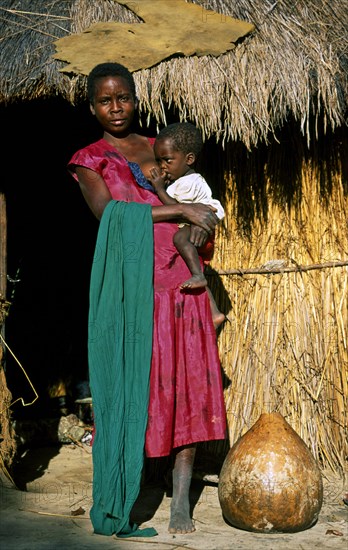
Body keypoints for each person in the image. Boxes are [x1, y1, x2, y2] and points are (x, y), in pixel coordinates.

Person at [67, 62, 227, 538]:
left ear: (136, 97)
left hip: (182, 282)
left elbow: (200, 198)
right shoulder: (89, 159)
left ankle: (181, 501)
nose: (115, 108)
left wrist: (200, 220)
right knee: (135, 386)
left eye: (123, 97)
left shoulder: (163, 147)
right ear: (92, 105)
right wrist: (179, 209)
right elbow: (108, 214)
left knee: (186, 386)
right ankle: (131, 487)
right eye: (104, 100)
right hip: (134, 287)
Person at [147, 122, 226, 329]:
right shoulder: (182, 181)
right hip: (194, 228)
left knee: (179, 239)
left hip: (196, 230)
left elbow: (176, 207)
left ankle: (199, 277)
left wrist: (158, 189)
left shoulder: (189, 183)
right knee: (184, 260)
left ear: (189, 159)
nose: (163, 166)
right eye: (159, 160)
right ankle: (214, 311)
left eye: (168, 160)